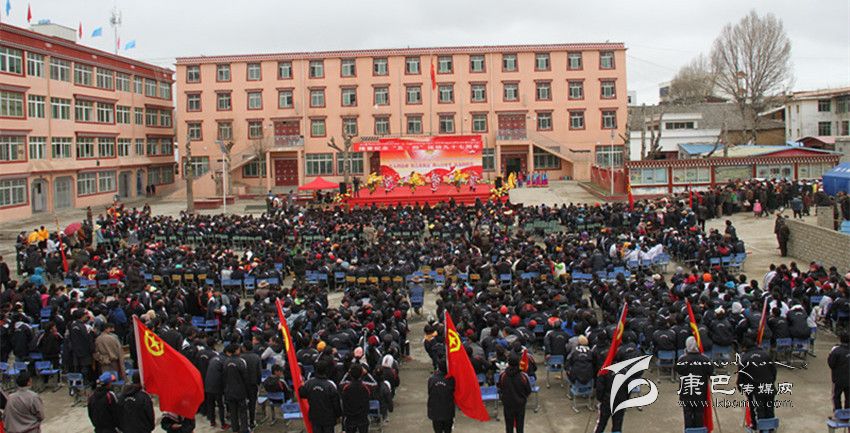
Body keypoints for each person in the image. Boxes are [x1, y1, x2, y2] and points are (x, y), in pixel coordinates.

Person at [737, 337, 777, 431]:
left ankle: (758, 427)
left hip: (755, 390)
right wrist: (771, 381)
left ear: (744, 347)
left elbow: (741, 376)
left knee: (758, 410)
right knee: (769, 408)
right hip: (768, 387)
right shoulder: (766, 354)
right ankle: (770, 428)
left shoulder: (744, 359)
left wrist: (741, 387)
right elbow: (774, 371)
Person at [675, 336, 714, 428]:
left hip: (686, 392)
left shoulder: (682, 359)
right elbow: (711, 371)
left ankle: (689, 430)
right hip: (700, 392)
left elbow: (678, 370)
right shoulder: (705, 359)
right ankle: (698, 430)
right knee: (699, 413)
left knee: (687, 414)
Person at [299, 360, 342, 433]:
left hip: (315, 417)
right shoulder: (330, 385)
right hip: (328, 419)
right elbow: (336, 403)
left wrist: (302, 386)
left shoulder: (309, 383)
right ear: (326, 370)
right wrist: (338, 415)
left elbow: (302, 394)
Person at [498, 354, 532, 433]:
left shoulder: (503, 375)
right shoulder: (523, 376)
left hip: (508, 404)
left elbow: (500, 388)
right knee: (520, 426)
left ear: (508, 363)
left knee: (509, 426)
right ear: (519, 363)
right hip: (520, 404)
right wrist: (522, 398)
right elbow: (528, 391)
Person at [222, 344, 250, 433]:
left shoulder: (226, 362)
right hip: (240, 391)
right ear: (236, 350)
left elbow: (224, 376)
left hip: (229, 391)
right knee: (243, 412)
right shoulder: (241, 362)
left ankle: (235, 429)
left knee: (233, 412)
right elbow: (245, 377)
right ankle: (244, 429)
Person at [340, 364, 372, 433]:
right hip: (362, 417)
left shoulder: (346, 387)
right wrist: (367, 373)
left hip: (350, 417)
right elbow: (375, 384)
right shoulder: (365, 387)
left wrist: (348, 373)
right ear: (361, 374)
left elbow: (340, 384)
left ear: (350, 374)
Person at [427, 359, 455, 433]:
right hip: (447, 410)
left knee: (438, 430)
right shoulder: (451, 379)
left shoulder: (432, 379)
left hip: (435, 410)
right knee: (448, 430)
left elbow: (429, 392)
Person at [240, 341, 262, 428]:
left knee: (243, 403)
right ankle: (252, 421)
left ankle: (244, 422)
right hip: (253, 383)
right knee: (252, 403)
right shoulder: (256, 357)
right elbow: (259, 371)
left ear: (244, 348)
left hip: (243, 384)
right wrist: (259, 382)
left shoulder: (241, 357)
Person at [828, 333, 850, 411]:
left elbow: (831, 364)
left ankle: (838, 413)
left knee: (836, 396)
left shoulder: (836, 351)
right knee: (849, 397)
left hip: (838, 379)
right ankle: (848, 413)